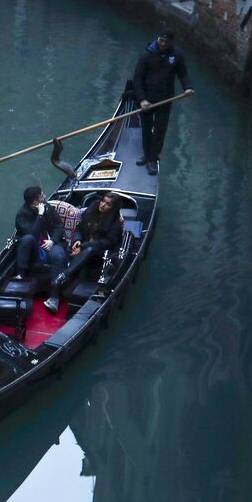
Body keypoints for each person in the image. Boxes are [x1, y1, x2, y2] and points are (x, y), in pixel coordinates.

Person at [46, 193, 123, 312]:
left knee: (90, 251)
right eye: (103, 201)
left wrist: (83, 246)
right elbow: (79, 229)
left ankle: (62, 278)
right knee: (60, 256)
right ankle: (55, 296)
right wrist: (77, 240)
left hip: (99, 255)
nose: (103, 205)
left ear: (113, 208)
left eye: (108, 204)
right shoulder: (91, 210)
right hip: (81, 247)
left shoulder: (115, 224)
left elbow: (107, 243)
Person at [133, 29, 194, 176]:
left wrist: (188, 87)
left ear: (171, 42)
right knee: (147, 129)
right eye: (161, 40)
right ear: (157, 38)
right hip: (147, 99)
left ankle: (153, 159)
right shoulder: (146, 55)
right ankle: (147, 155)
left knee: (160, 130)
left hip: (165, 99)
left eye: (166, 42)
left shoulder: (177, 55)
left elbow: (183, 74)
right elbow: (137, 78)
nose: (163, 44)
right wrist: (142, 99)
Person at [14, 182, 68, 315]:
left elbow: (58, 227)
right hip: (33, 250)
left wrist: (53, 241)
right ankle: (21, 275)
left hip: (50, 245)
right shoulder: (22, 216)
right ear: (35, 203)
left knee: (59, 256)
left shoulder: (47, 207)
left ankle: (54, 297)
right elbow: (32, 236)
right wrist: (40, 216)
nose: (44, 196)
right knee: (26, 239)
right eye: (42, 195)